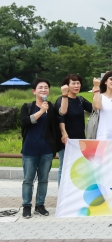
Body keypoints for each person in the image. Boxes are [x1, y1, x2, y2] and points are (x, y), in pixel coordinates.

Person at [19, 78, 61, 218]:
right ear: (34, 91)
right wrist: (42, 111)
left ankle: (40, 205)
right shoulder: (27, 107)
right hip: (30, 149)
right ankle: (26, 206)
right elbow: (25, 122)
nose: (43, 90)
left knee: (43, 179)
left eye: (46, 87)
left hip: (46, 150)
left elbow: (57, 124)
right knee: (28, 179)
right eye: (40, 87)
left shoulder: (52, 107)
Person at [56, 74, 93, 186]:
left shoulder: (80, 100)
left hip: (80, 139)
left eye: (78, 83)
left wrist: (97, 91)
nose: (76, 86)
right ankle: (61, 192)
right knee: (64, 166)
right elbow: (60, 117)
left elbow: (94, 109)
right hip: (66, 139)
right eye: (73, 83)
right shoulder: (61, 99)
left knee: (79, 165)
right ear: (66, 85)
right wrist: (64, 133)